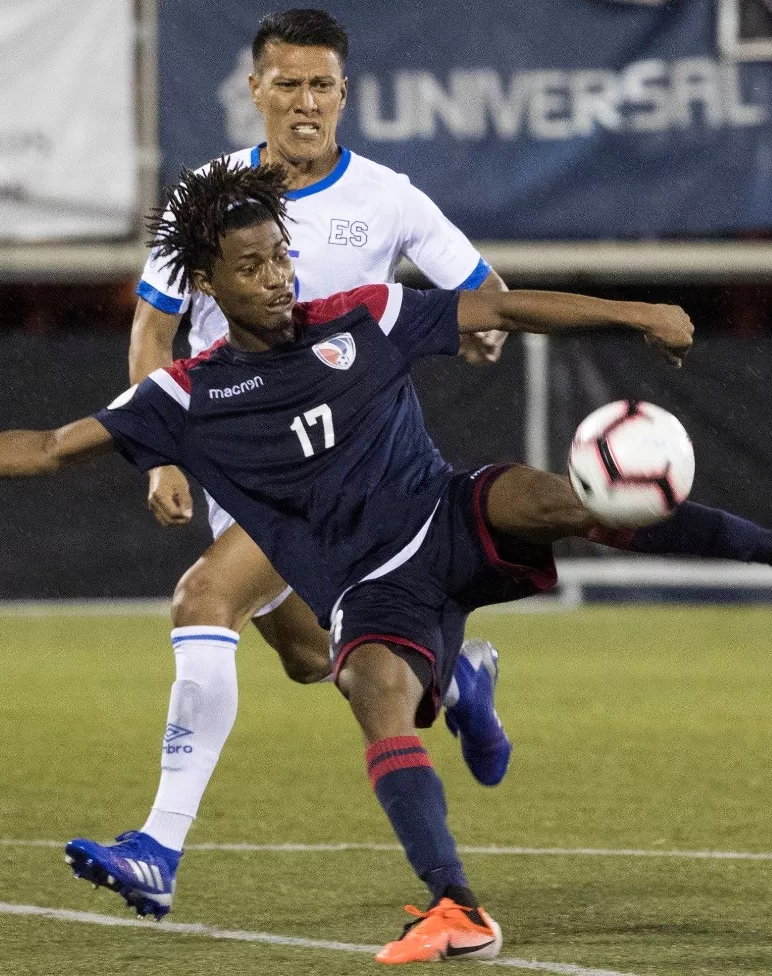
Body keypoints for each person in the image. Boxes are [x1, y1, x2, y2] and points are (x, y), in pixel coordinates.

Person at [0, 162, 772, 963]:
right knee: (371, 694)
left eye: (282, 252)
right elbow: (48, 448)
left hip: (444, 511)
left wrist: (635, 313)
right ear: (206, 283)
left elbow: (498, 303)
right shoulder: (186, 398)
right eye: (251, 265)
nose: (279, 276)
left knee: (552, 498)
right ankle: (455, 906)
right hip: (368, 589)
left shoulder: (362, 314)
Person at [118, 6, 518, 916]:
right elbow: (154, 326)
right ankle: (460, 679)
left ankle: (158, 847)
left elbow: (484, 291)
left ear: (345, 93)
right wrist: (160, 452)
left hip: (352, 473)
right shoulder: (205, 198)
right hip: (246, 467)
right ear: (253, 90)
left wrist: (486, 328)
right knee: (314, 659)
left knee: (203, 597)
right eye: (287, 84)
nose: (306, 103)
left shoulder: (388, 196)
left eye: (322, 86)